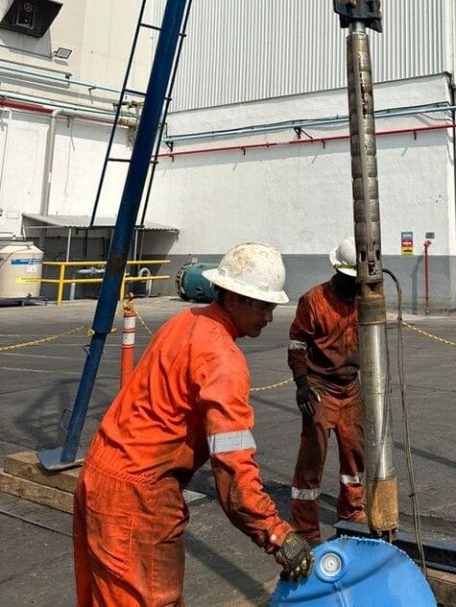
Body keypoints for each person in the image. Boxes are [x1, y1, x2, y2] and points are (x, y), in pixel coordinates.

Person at [73, 242, 313, 607]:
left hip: (101, 478)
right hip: (138, 500)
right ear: (233, 298)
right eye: (263, 306)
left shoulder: (186, 322)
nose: (269, 317)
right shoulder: (222, 360)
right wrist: (277, 534)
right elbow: (233, 468)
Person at [287, 236, 367, 545]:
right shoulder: (314, 300)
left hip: (351, 388)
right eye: (349, 280)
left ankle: (352, 514)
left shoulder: (363, 298)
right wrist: (302, 384)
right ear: (338, 272)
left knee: (354, 455)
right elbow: (296, 344)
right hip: (320, 387)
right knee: (312, 457)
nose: (353, 286)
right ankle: (306, 528)